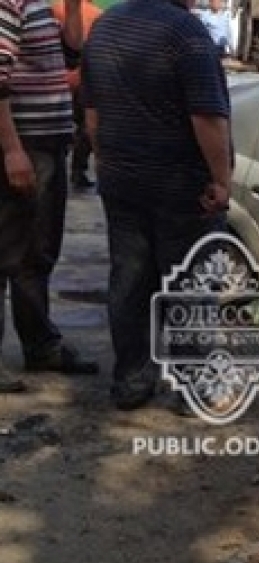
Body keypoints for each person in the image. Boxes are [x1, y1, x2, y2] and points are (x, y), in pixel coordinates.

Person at [82, 0, 231, 410]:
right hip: (181, 188)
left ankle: (132, 382)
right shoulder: (186, 32)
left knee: (130, 282)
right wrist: (221, 179)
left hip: (122, 182)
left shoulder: (104, 28)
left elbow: (92, 115)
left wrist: (107, 161)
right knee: (189, 285)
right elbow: (207, 116)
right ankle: (194, 388)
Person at [0, 0, 97, 393]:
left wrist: (72, 6)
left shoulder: (42, 4)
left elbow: (71, 53)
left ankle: (41, 345)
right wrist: (11, 151)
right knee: (5, 254)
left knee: (37, 253)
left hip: (48, 144)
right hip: (24, 145)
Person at [53, 0, 102, 190]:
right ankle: (77, 171)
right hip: (82, 76)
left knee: (64, 125)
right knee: (85, 126)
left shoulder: (55, 8)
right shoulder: (96, 14)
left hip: (59, 77)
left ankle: (63, 164)